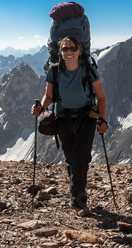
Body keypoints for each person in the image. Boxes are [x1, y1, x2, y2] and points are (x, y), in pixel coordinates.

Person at [31, 36, 108, 216]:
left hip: (86, 118)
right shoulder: (54, 71)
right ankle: (77, 192)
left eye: (73, 48)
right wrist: (41, 107)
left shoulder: (88, 70)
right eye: (65, 49)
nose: (69, 52)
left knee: (80, 158)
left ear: (80, 51)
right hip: (63, 118)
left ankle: (78, 200)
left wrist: (102, 120)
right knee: (71, 158)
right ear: (60, 52)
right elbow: (48, 95)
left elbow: (101, 97)